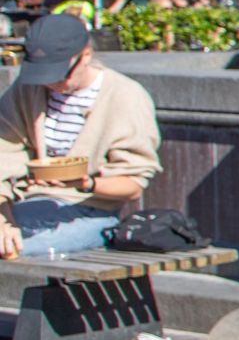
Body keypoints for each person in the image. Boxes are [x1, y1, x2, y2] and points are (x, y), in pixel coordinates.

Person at [0, 13, 162, 257]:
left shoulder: (125, 96)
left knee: (13, 251)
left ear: (85, 56)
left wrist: (85, 183)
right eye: (42, 75)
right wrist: (4, 220)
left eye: (59, 74)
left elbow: (133, 185)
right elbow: (4, 152)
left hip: (90, 210)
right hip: (25, 202)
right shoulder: (27, 89)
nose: (51, 83)